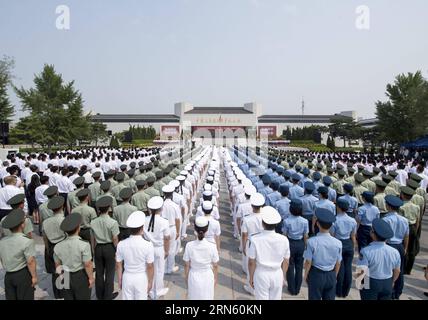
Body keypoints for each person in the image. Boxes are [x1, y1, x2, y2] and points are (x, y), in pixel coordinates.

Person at [248, 206, 290, 300]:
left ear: (262, 223)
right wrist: (283, 276)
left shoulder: (255, 239)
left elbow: (251, 262)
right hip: (277, 273)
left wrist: (251, 277)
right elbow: (286, 261)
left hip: (261, 273)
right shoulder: (284, 240)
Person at [357, 218, 401, 300]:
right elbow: (397, 270)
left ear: (373, 234)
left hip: (371, 281)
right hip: (387, 282)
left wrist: (360, 284)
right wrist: (392, 282)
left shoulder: (365, 251)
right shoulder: (395, 252)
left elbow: (361, 271)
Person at [303, 208, 342, 300]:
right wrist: (334, 276)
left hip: (316, 275)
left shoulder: (311, 242)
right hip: (331, 274)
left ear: (317, 224)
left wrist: (305, 275)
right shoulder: (338, 243)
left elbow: (308, 261)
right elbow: (338, 262)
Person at [53, 212, 94, 300]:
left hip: (66, 275)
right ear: (78, 228)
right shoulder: (84, 245)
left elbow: (57, 266)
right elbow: (87, 264)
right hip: (80, 276)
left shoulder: (57, 246)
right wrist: (91, 278)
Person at [116, 210, 155, 300]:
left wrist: (120, 280)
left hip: (127, 276)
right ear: (142, 228)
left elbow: (118, 265)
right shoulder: (148, 245)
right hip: (141, 277)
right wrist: (150, 281)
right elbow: (150, 266)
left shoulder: (121, 244)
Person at [0, 209, 37, 300]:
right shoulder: (26, 241)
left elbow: (2, 258)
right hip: (22, 275)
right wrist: (34, 276)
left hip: (8, 276)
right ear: (22, 224)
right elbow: (30, 261)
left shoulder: (2, 242)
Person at [91, 196, 120, 300]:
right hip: (109, 248)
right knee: (110, 273)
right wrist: (117, 250)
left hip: (98, 247)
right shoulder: (112, 222)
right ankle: (108, 295)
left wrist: (94, 250)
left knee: (99, 273)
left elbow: (92, 238)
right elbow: (115, 238)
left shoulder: (93, 222)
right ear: (109, 208)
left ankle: (99, 294)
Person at [183, 216, 219, 300]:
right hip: (207, 275)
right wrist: (215, 278)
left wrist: (187, 277)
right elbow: (216, 265)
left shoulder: (189, 245)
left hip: (194, 275)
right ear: (207, 230)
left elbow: (186, 264)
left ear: (195, 229)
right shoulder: (212, 246)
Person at [382, 195, 409, 300]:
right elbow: (407, 236)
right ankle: (397, 292)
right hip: (400, 245)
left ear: (388, 206)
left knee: (388, 270)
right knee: (399, 270)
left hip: (389, 245)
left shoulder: (386, 219)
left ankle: (389, 290)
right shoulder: (404, 220)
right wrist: (405, 248)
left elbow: (383, 235)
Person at [144, 196, 170, 299]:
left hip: (147, 247)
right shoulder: (164, 221)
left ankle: (149, 290)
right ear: (161, 208)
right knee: (159, 270)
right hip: (159, 248)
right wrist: (167, 250)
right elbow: (167, 238)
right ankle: (158, 290)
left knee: (148, 269)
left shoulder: (145, 220)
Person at [331, 198, 357, 298]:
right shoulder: (352, 220)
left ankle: (339, 290)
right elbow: (353, 235)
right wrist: (353, 247)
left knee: (340, 267)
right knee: (348, 267)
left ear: (338, 207)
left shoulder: (335, 220)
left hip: (338, 243)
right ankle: (346, 291)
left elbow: (332, 235)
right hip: (349, 243)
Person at [282, 198, 308, 296]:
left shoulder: (286, 221)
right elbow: (306, 236)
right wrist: (306, 247)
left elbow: (284, 234)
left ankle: (291, 288)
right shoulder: (305, 221)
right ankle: (297, 289)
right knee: (299, 267)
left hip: (290, 243)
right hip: (300, 244)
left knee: (290, 266)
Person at [42, 196, 66, 299]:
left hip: (51, 246)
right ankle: (65, 291)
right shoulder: (64, 220)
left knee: (54, 271)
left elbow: (45, 238)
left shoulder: (45, 222)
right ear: (62, 207)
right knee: (64, 270)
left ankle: (57, 294)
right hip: (62, 245)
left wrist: (47, 249)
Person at [399, 186, 420, 275]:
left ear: (403, 195)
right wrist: (416, 228)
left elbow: (400, 220)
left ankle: (402, 267)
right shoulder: (416, 206)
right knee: (412, 249)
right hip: (413, 228)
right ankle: (408, 269)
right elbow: (417, 220)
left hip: (404, 227)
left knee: (404, 248)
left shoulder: (401, 206)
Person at [161, 184, 181, 274]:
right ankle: (170, 267)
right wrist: (177, 231)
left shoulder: (161, 205)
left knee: (164, 248)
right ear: (172, 194)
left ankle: (163, 268)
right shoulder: (174, 205)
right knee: (171, 249)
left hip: (163, 228)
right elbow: (177, 219)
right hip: (172, 227)